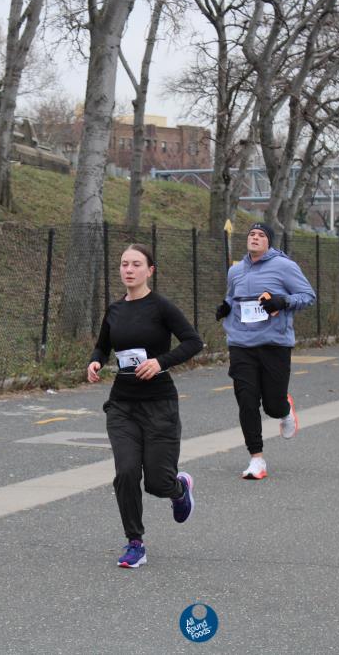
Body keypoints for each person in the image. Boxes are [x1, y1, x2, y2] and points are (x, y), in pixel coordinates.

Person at [87, 244, 204, 569]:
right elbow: (102, 347)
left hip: (159, 405)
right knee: (126, 473)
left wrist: (160, 362)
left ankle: (179, 489)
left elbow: (194, 342)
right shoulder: (114, 310)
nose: (129, 269)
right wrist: (95, 362)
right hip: (122, 405)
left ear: (150, 270)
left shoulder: (161, 307)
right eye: (124, 264)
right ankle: (135, 543)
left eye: (136, 264)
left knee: (156, 482)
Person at [215, 223, 316, 480]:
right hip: (241, 343)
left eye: (261, 235)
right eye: (252, 234)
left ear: (269, 242)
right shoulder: (235, 270)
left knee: (272, 405)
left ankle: (284, 409)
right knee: (246, 400)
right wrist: (225, 307)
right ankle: (256, 459)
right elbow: (232, 297)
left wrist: (284, 301)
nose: (255, 238)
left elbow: (308, 295)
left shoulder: (284, 266)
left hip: (274, 343)